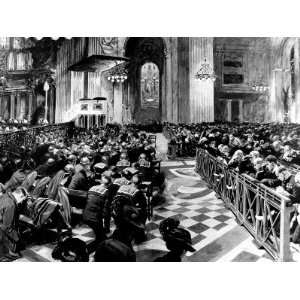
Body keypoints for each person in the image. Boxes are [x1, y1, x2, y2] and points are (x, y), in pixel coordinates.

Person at [0, 187, 29, 261]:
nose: (21, 202)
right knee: (14, 254)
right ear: (21, 196)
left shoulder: (5, 195)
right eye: (23, 200)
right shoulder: (11, 205)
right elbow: (6, 227)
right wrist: (17, 238)